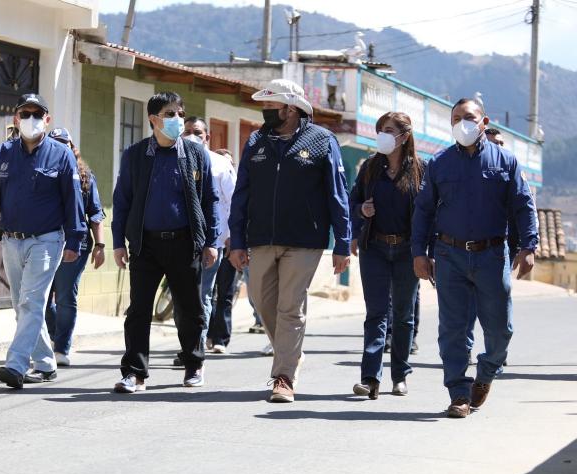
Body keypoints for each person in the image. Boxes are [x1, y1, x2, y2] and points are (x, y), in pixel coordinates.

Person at [412, 98, 537, 418]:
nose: (462, 123)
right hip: (448, 254)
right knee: (453, 329)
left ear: (484, 121)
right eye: (456, 118)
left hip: (492, 256)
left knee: (500, 330)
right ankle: (458, 392)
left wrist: (528, 247)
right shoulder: (439, 163)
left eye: (468, 117)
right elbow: (424, 210)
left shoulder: (505, 161)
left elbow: (523, 206)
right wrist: (419, 253)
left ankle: (486, 372)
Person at [229, 79, 351, 403]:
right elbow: (242, 194)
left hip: (304, 240)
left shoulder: (323, 140)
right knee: (260, 299)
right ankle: (290, 353)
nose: (265, 112)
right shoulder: (255, 142)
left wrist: (343, 242)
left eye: (271, 106)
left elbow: (337, 195)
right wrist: (237, 240)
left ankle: (283, 376)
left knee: (290, 306)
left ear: (291, 108)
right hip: (261, 239)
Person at [111, 92, 220, 393]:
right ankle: (134, 373)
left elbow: (210, 200)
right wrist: (118, 242)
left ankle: (193, 364)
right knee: (139, 311)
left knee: (190, 309)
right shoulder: (135, 156)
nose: (178, 120)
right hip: (145, 246)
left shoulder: (196, 155)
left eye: (181, 113)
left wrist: (211, 240)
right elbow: (122, 201)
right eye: (170, 114)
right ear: (153, 120)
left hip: (185, 244)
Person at [0, 93, 86, 389]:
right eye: (24, 113)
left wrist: (76, 240)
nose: (30, 119)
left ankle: (15, 364)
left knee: (31, 301)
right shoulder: (4, 152)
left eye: (36, 114)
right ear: (16, 119)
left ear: (47, 120)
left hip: (47, 240)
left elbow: (73, 200)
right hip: (12, 241)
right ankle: (46, 363)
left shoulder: (60, 154)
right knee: (22, 305)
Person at [349, 112, 424, 399]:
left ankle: (400, 374)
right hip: (375, 248)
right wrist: (361, 213)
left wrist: (426, 251)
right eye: (380, 129)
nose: (382, 134)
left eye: (389, 130)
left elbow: (429, 211)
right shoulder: (369, 167)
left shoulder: (420, 170)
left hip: (407, 250)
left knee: (403, 316)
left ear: (404, 136)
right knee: (376, 313)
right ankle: (370, 378)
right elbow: (353, 200)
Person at [172, 118, 236, 358]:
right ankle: (187, 344)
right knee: (181, 298)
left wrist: (231, 236)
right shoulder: (173, 160)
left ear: (207, 137)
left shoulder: (220, 164)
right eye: (186, 131)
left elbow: (233, 202)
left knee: (202, 295)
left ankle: (195, 347)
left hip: (212, 242)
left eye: (197, 132)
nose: (191, 135)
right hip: (178, 241)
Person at [44, 127, 106, 367]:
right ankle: (53, 333)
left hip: (75, 243)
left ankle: (61, 347)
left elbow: (96, 213)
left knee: (66, 295)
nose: (60, 148)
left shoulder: (85, 177)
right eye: (55, 143)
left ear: (72, 148)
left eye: (64, 143)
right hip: (45, 241)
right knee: (43, 298)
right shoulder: (43, 172)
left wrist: (100, 245)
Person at [462, 127, 519, 366]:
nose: (498, 147)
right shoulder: (469, 172)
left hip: (500, 249)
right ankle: (462, 352)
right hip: (467, 250)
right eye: (494, 142)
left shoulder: (510, 170)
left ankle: (495, 352)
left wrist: (525, 247)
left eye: (502, 143)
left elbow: (523, 210)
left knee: (495, 307)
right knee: (465, 307)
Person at [205, 147, 238, 353]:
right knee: (207, 293)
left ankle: (221, 339)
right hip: (211, 244)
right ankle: (206, 333)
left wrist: (233, 239)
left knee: (224, 293)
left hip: (228, 245)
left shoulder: (235, 195)